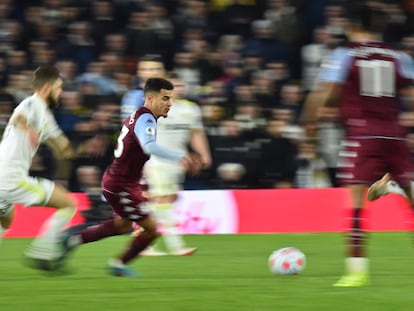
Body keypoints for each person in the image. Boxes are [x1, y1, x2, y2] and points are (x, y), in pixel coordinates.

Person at [301, 27, 414, 287]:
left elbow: (324, 94)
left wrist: (310, 127)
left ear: (354, 27)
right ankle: (392, 185)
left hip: (362, 134)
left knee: (355, 203)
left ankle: (356, 272)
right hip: (394, 134)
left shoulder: (345, 55)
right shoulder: (399, 56)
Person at [60, 77, 201, 277]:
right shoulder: (147, 118)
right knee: (151, 230)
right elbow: (148, 146)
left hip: (121, 181)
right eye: (166, 98)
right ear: (151, 98)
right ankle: (118, 263)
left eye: (171, 98)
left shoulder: (138, 116)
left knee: (122, 225)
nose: (170, 103)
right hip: (121, 185)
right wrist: (181, 156)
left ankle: (73, 241)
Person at [0, 66, 77, 267]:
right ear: (46, 88)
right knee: (68, 204)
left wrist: (78, 148)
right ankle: (42, 252)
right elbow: (19, 120)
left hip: (3, 177)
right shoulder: (32, 104)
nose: (61, 93)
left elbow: (62, 147)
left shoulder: (46, 115)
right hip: (11, 178)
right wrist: (29, 130)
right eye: (59, 88)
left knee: (6, 221)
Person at [141, 72, 211, 256]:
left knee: (166, 199)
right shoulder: (153, 107)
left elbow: (196, 133)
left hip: (177, 162)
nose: (177, 89)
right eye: (173, 86)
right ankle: (176, 245)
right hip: (155, 160)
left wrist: (204, 154)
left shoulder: (191, 109)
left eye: (180, 86)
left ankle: (143, 239)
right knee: (163, 200)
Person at [120, 55, 165, 119]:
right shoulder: (134, 96)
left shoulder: (171, 93)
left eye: (156, 69)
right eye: (146, 70)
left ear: (163, 71)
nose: (154, 73)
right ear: (139, 72)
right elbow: (129, 124)